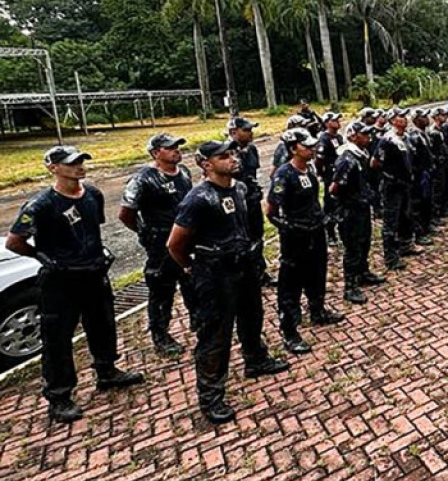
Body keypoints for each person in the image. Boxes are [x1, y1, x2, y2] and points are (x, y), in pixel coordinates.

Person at [6, 146, 144, 424]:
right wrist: (43, 257)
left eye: (81, 161)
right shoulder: (41, 205)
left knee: (103, 324)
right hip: (61, 280)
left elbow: (92, 230)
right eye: (71, 163)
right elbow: (14, 241)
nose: (79, 167)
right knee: (58, 338)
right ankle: (59, 395)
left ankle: (107, 371)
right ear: (53, 168)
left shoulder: (93, 194)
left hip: (93, 273)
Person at [167, 140, 289, 425]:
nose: (233, 159)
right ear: (207, 165)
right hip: (214, 273)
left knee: (252, 317)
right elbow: (175, 244)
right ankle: (210, 396)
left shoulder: (240, 188)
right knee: (215, 336)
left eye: (233, 154)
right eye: (224, 156)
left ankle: (256, 359)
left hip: (243, 266)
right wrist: (192, 267)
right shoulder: (198, 198)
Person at [118, 133, 196, 356]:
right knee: (162, 290)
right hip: (160, 244)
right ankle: (160, 335)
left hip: (185, 239)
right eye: (169, 147)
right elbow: (126, 213)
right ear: (155, 153)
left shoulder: (184, 173)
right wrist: (145, 232)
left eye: (177, 146)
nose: (176, 150)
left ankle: (197, 320)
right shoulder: (143, 179)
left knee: (191, 281)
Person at [267, 128, 343, 354]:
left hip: (315, 231)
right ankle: (290, 332)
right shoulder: (284, 174)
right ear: (293, 149)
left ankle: (317, 311)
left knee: (317, 272)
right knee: (291, 283)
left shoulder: (308, 170)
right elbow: (271, 210)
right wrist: (289, 228)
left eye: (312, 145)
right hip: (295, 237)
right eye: (306, 146)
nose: (312, 149)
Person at [332, 121, 386, 304]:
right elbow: (334, 188)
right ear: (354, 135)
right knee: (353, 249)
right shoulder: (347, 159)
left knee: (364, 242)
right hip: (350, 211)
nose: (368, 137)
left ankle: (363, 272)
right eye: (364, 134)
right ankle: (350, 286)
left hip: (361, 208)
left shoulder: (360, 154)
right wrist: (350, 200)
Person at [227, 116, 271, 286]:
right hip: (237, 205)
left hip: (252, 201)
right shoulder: (227, 154)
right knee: (240, 240)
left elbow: (252, 175)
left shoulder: (251, 150)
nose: (250, 133)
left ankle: (260, 271)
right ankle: (245, 275)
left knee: (257, 236)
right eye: (246, 130)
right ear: (233, 132)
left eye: (251, 129)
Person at [373, 108, 418, 270]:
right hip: (392, 185)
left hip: (405, 183)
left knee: (406, 215)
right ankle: (390, 257)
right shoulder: (387, 140)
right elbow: (375, 163)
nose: (404, 119)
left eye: (405, 116)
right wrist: (389, 174)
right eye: (400, 117)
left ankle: (405, 245)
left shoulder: (406, 137)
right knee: (390, 221)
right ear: (392, 120)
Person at [407, 108, 436, 246]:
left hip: (427, 172)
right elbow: (412, 159)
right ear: (417, 120)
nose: (427, 119)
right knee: (418, 203)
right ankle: (419, 233)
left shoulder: (424, 134)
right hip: (419, 175)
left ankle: (426, 226)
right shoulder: (414, 136)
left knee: (427, 201)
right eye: (423, 117)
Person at [315, 111, 344, 246]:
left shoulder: (338, 137)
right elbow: (319, 160)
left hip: (339, 174)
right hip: (330, 175)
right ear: (327, 123)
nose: (337, 122)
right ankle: (331, 234)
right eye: (334, 120)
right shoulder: (324, 139)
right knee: (330, 205)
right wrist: (321, 173)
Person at [427, 107, 448, 223]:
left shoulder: (441, 129)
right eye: (442, 115)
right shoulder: (433, 131)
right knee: (437, 189)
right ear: (436, 116)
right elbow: (432, 150)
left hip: (444, 163)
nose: (445, 116)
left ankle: (442, 208)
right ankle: (435, 214)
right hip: (437, 165)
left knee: (444, 186)